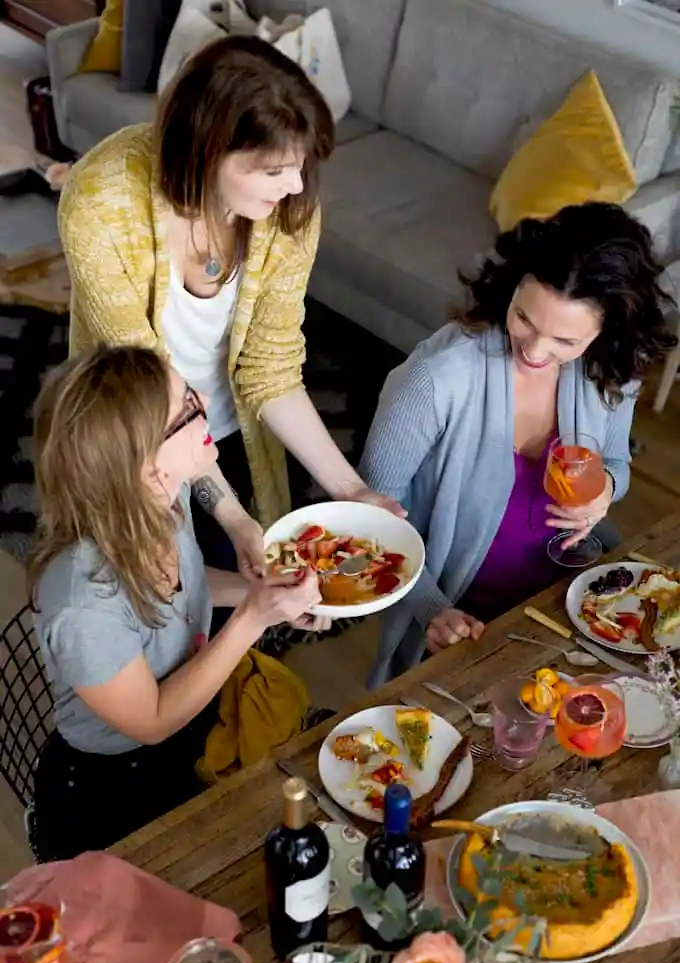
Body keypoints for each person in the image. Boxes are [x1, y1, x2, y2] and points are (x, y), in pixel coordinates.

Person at [58, 35, 401, 592]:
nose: (294, 187)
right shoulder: (101, 203)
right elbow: (155, 404)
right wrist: (234, 516)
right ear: (207, 150)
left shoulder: (288, 209)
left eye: (300, 165)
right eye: (273, 171)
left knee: (240, 598)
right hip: (138, 442)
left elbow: (270, 367)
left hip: (233, 430)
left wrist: (349, 489)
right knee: (155, 602)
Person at [28, 345, 327, 861]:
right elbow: (152, 719)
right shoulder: (83, 603)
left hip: (194, 729)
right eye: (188, 407)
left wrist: (261, 593)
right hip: (116, 789)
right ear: (148, 469)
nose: (207, 398)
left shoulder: (164, 501)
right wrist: (255, 618)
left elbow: (187, 586)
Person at [360, 202, 676, 689]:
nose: (534, 351)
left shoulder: (611, 368)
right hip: (459, 617)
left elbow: (615, 462)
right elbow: (370, 522)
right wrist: (432, 610)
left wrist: (605, 490)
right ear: (512, 285)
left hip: (570, 599)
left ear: (606, 331)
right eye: (524, 318)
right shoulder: (436, 379)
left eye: (565, 342)